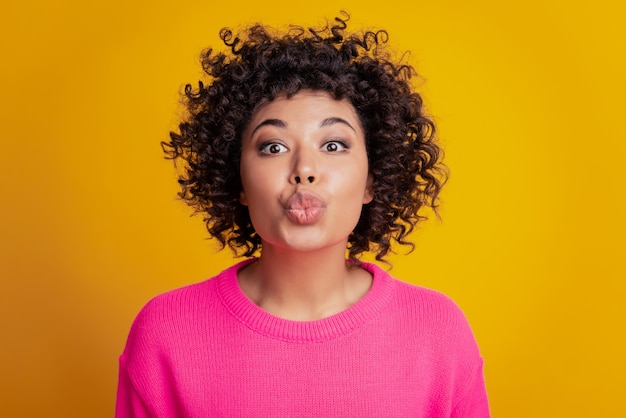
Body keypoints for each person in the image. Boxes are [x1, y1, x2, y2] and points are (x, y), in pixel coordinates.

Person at [115, 13, 490, 417]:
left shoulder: (439, 332)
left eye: (333, 145)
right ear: (237, 180)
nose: (304, 168)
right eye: (273, 146)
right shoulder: (166, 333)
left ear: (371, 181)